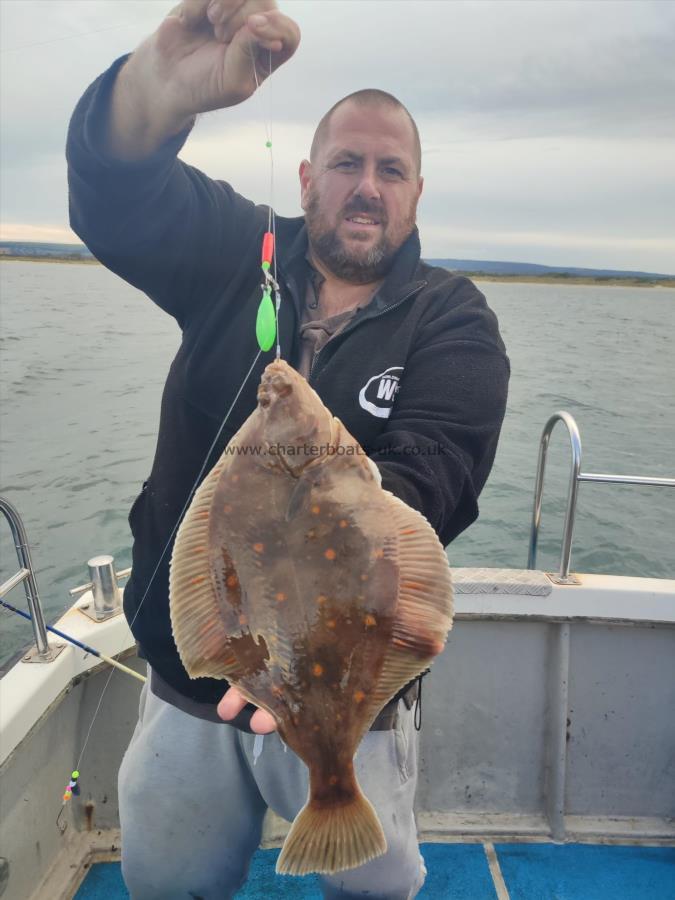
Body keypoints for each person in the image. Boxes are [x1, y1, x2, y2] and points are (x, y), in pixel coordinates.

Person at [66, 1, 509, 897]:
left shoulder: (452, 317)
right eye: (347, 162)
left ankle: (335, 794)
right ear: (307, 175)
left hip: (354, 700)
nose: (368, 186)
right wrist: (158, 84)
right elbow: (116, 199)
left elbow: (440, 479)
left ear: (417, 192)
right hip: (196, 675)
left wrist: (304, 598)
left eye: (392, 169)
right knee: (168, 884)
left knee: (371, 886)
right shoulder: (239, 251)